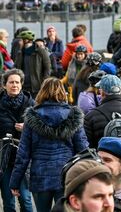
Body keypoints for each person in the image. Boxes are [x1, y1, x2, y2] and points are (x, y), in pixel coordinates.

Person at [10, 77, 89, 212]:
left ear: (42, 92)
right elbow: (83, 150)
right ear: (62, 92)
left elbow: (23, 154)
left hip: (40, 177)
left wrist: (15, 182)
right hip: (66, 176)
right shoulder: (73, 116)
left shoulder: (32, 118)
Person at [0, 69, 34, 212]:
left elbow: (42, 129)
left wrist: (27, 127)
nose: (14, 85)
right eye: (11, 82)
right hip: (4, 158)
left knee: (26, 199)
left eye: (17, 82)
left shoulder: (31, 104)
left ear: (21, 84)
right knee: (8, 201)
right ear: (4, 85)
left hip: (24, 159)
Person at [13, 30, 51, 95]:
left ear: (26, 40)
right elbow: (16, 67)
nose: (19, 42)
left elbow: (47, 68)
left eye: (20, 40)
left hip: (36, 87)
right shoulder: (20, 53)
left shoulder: (41, 52)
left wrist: (44, 82)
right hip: (22, 87)